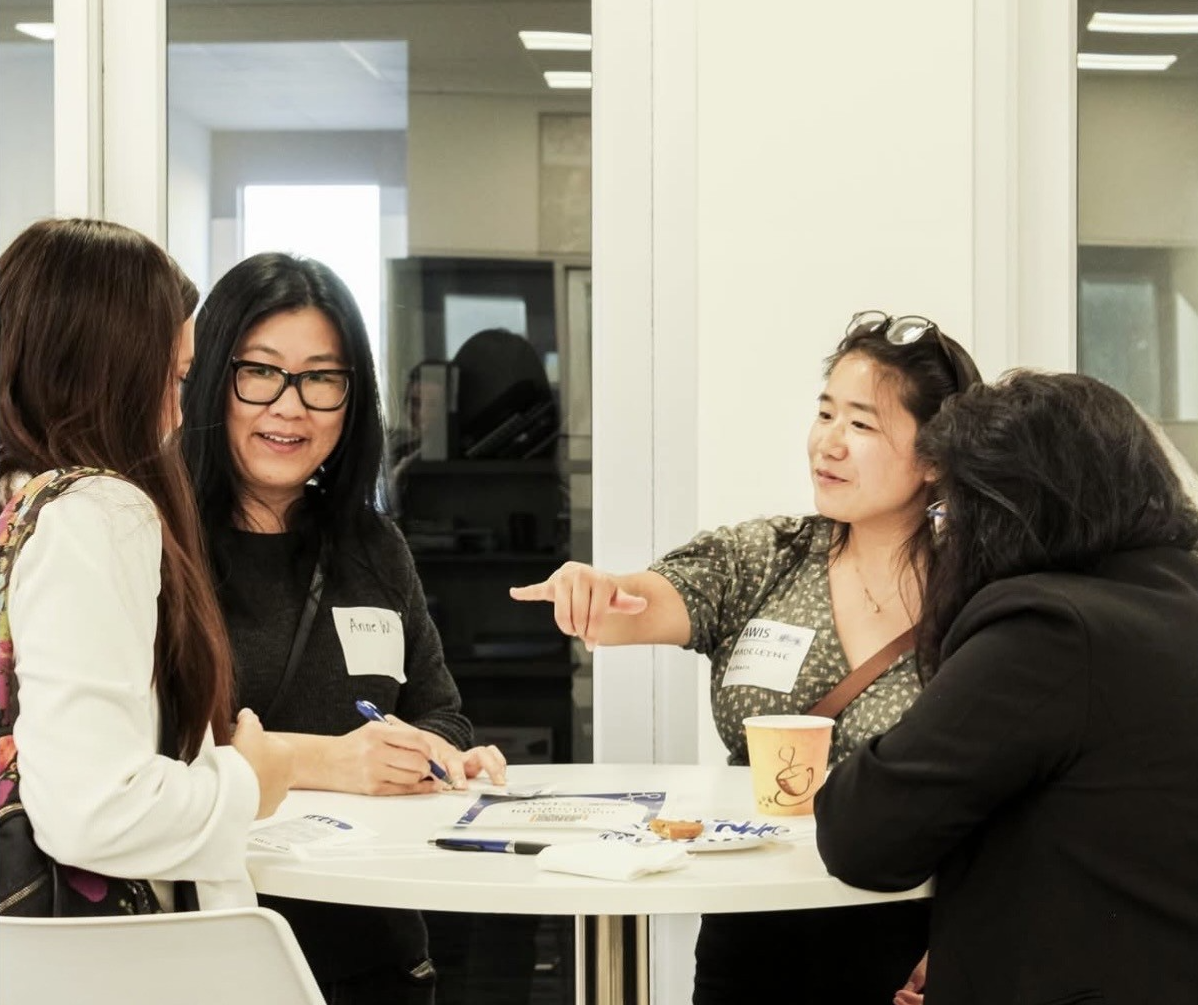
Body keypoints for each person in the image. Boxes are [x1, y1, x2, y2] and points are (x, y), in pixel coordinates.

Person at [511, 310, 983, 1003]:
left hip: (909, 936)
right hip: (751, 929)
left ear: (935, 456)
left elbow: (1019, 788)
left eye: (861, 424)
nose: (828, 443)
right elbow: (638, 603)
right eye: (825, 413)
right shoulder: (767, 557)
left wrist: (966, 941)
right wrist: (593, 590)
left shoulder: (981, 591)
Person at [181, 251, 506, 1003]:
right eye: (260, 372)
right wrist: (332, 760)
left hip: (376, 948)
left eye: (321, 378)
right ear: (210, 378)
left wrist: (431, 752)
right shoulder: (156, 540)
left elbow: (440, 710)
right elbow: (144, 755)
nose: (290, 406)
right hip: (212, 951)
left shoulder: (370, 543)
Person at [814, 371, 1198, 1005]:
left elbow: (862, 836)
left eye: (948, 511)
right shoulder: (1176, 593)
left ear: (1000, 513)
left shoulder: (1047, 631)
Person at [0, 217, 294, 913]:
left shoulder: (20, 504)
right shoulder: (93, 512)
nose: (179, 411)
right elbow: (95, 810)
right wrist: (249, 781)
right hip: (89, 952)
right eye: (175, 376)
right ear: (115, 372)